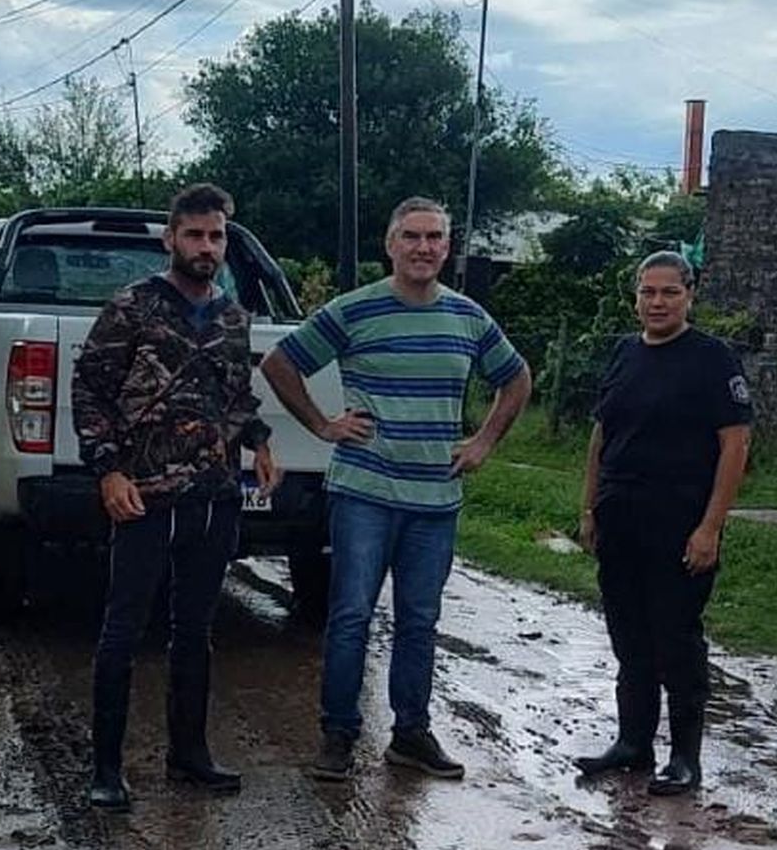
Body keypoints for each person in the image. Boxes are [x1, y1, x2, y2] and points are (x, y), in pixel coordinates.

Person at [261, 197, 532, 781]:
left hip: (435, 499)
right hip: (365, 490)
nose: (423, 247)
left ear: (447, 246)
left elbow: (516, 377)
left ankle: (410, 733)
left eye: (435, 237)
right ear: (390, 244)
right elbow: (281, 363)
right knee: (352, 613)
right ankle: (338, 735)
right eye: (411, 236)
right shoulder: (354, 310)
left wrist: (483, 441)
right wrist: (322, 425)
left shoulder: (468, 317)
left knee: (418, 619)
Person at [70, 183, 279, 812]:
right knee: (123, 629)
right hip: (144, 494)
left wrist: (261, 442)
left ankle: (188, 753)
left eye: (216, 236)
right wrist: (107, 471)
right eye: (194, 235)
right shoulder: (132, 308)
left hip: (213, 495)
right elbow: (90, 393)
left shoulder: (232, 317)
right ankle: (106, 767)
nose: (206, 247)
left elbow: (236, 395)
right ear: (170, 240)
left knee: (197, 628)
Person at [574, 251, 752, 796]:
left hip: (679, 520)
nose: (657, 302)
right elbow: (601, 437)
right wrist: (588, 508)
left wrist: (711, 527)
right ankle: (633, 743)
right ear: (636, 298)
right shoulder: (625, 354)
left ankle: (685, 757)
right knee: (629, 636)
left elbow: (736, 443)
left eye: (668, 292)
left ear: (689, 294)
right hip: (620, 515)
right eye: (647, 292)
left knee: (674, 637)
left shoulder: (712, 358)